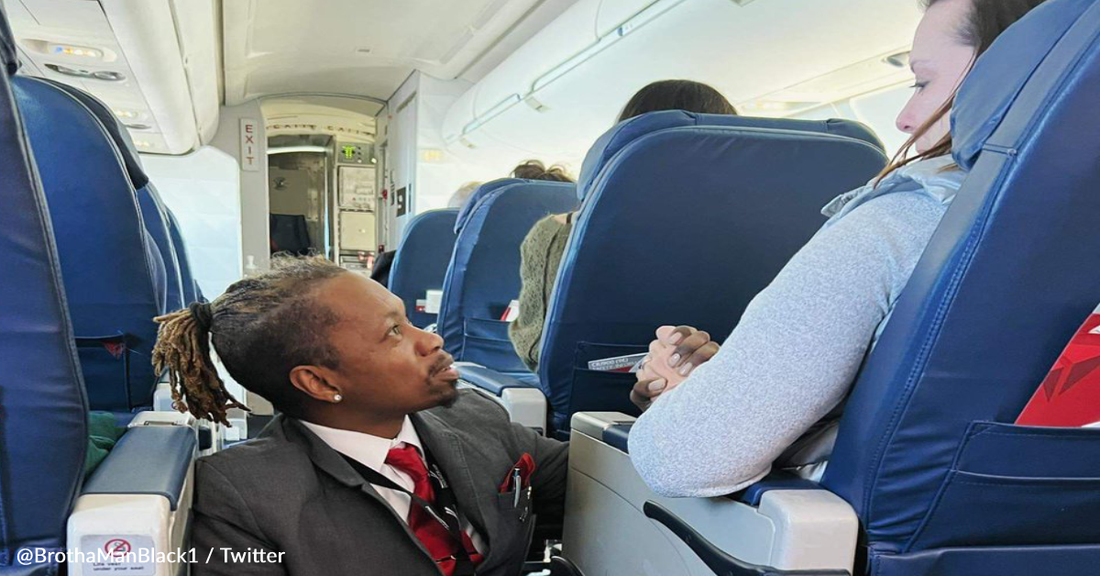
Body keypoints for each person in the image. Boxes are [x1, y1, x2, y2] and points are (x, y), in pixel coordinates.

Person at [626, 0, 1049, 497]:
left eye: (922, 83)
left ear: (1013, 78)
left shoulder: (901, 223)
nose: (905, 118)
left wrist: (682, 398)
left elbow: (689, 458)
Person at [154, 257, 567, 575]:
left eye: (409, 320)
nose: (432, 339)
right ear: (319, 382)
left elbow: (590, 479)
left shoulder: (472, 414)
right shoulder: (245, 497)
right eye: (394, 332)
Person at [508, 80, 737, 373]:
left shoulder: (559, 233)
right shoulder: (776, 229)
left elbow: (536, 349)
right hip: (736, 391)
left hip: (595, 397)